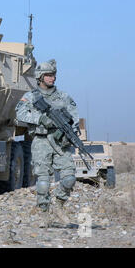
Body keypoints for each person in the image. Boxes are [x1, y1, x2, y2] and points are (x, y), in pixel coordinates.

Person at [15, 59, 79, 223]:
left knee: (69, 177)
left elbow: (75, 119)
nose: (52, 78)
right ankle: (44, 213)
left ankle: (58, 205)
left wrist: (70, 134)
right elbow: (19, 114)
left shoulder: (63, 97)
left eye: (53, 75)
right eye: (48, 75)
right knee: (43, 182)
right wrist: (40, 118)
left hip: (60, 144)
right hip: (41, 141)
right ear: (40, 77)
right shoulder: (31, 97)